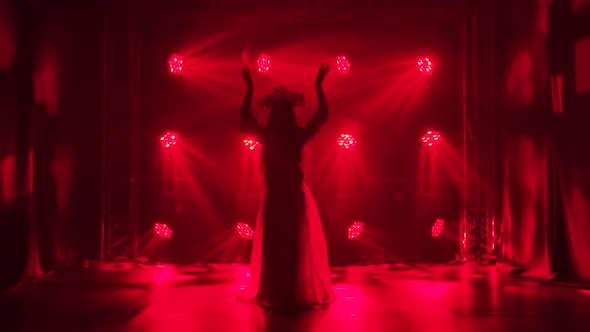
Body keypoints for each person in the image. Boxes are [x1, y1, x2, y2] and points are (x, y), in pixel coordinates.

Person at [237, 64, 336, 312]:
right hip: (280, 197)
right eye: (278, 113)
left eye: (283, 113)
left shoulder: (281, 136)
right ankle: (280, 292)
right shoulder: (286, 135)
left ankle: (286, 292)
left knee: (288, 246)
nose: (280, 117)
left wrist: (318, 88)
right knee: (278, 245)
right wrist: (249, 90)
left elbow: (322, 114)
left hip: (289, 197)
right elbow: (322, 114)